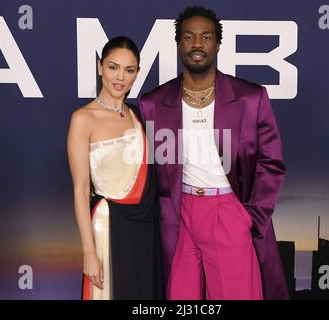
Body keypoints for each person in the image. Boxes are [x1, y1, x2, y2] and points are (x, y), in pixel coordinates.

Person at [139, 6, 288, 300]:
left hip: (227, 210)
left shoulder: (250, 97)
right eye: (189, 36)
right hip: (179, 213)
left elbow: (272, 163)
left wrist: (252, 217)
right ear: (179, 43)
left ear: (218, 43)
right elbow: (149, 167)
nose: (197, 44)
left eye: (206, 36)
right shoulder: (153, 103)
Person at [67, 36, 163, 300]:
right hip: (106, 228)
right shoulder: (83, 119)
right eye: (113, 67)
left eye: (129, 70)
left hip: (144, 229)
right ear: (100, 67)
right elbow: (80, 190)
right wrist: (89, 252)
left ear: (137, 74)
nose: (120, 77)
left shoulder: (140, 116)